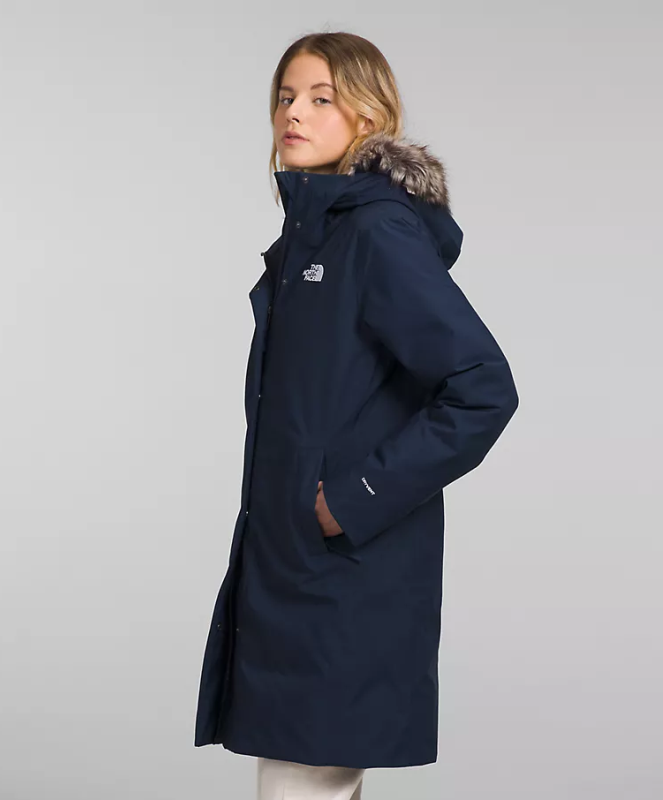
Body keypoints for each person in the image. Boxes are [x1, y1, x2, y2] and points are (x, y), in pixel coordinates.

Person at [194, 31, 520, 799]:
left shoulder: (374, 233)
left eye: (320, 98)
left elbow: (481, 386)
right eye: (285, 97)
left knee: (301, 781)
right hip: (293, 570)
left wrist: (352, 498)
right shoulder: (310, 242)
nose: (293, 113)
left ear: (368, 117)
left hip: (343, 579)